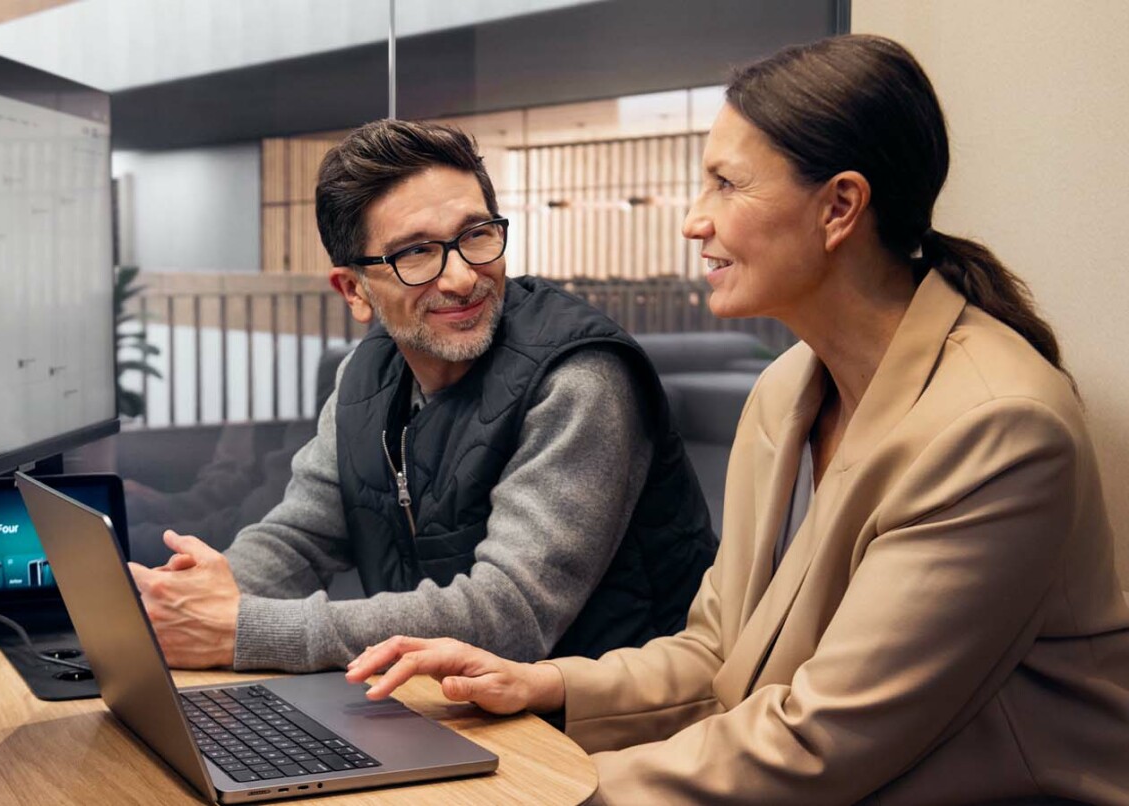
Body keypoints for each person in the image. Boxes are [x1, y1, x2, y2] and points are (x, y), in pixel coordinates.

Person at [345, 34, 1129, 803]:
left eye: (726, 184)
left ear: (841, 207)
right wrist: (542, 684)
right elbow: (721, 654)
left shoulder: (997, 430)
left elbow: (820, 745)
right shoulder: (786, 389)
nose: (694, 220)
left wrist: (534, 788)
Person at [128, 119, 717, 673]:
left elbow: (510, 613)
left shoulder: (578, 377)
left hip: (604, 726)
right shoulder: (368, 373)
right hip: (450, 705)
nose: (462, 278)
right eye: (415, 252)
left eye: (477, 235)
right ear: (354, 290)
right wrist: (189, 600)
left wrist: (243, 629)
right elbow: (300, 536)